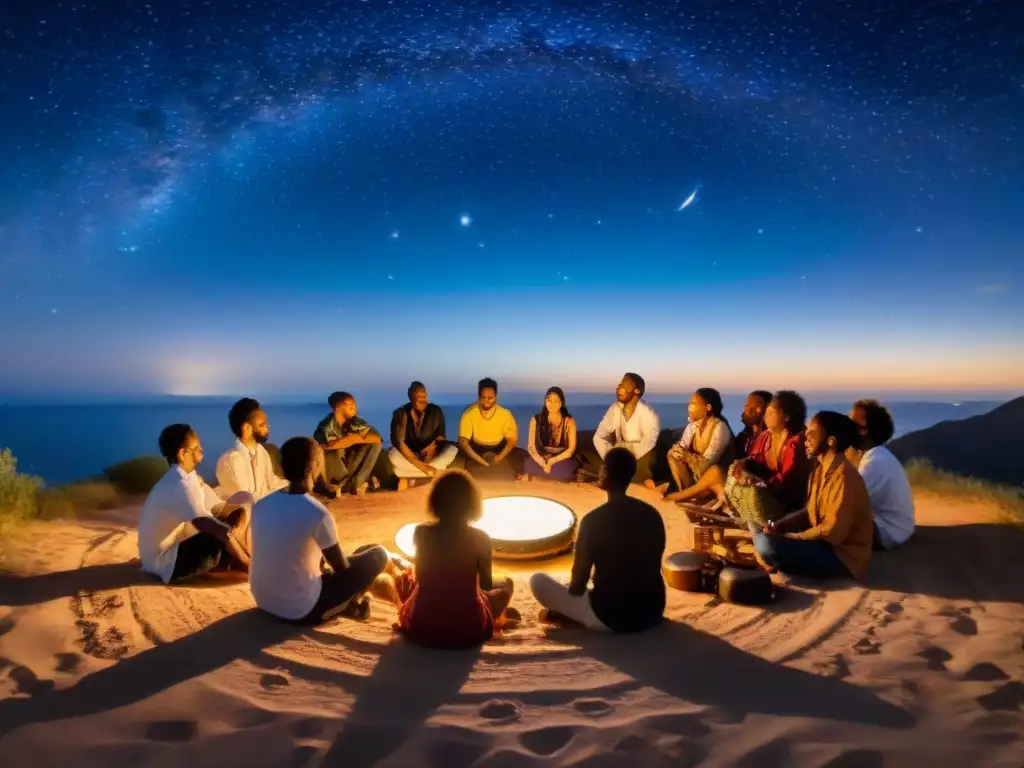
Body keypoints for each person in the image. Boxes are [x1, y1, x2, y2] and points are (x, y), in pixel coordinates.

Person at [249, 437, 393, 623]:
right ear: (315, 466)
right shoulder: (317, 513)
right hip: (301, 610)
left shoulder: (261, 505)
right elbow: (341, 569)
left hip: (264, 600)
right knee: (378, 554)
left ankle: (344, 602)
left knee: (361, 551)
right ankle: (346, 604)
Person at [530, 447, 666, 632]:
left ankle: (573, 616)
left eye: (603, 467)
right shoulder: (652, 514)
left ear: (606, 474)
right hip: (652, 610)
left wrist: (570, 593)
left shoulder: (592, 521)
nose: (600, 471)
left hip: (610, 616)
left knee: (537, 581)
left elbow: (578, 586)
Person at [392, 469, 517, 648]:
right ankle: (495, 613)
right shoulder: (481, 538)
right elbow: (486, 584)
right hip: (469, 629)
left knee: (405, 581)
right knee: (505, 585)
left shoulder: (421, 533)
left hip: (424, 627)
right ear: (471, 503)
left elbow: (421, 577)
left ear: (436, 501)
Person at [751, 411, 874, 581]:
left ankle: (774, 560)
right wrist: (778, 525)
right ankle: (774, 557)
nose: (805, 435)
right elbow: (809, 511)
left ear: (831, 441)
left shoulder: (845, 478)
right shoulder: (819, 470)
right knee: (761, 528)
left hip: (841, 556)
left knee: (767, 544)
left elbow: (832, 532)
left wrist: (791, 537)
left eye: (812, 432)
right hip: (823, 544)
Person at [138, 424, 253, 584]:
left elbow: (220, 510)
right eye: (196, 447)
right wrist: (250, 565)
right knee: (215, 535)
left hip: (175, 549)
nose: (201, 449)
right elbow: (210, 526)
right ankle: (248, 567)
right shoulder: (179, 484)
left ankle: (236, 562)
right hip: (164, 563)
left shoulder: (190, 478)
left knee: (231, 520)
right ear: (182, 453)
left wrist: (239, 520)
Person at [694, 391, 811, 526]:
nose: (766, 415)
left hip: (784, 504)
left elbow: (786, 483)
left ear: (786, 418)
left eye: (772, 412)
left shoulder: (795, 444)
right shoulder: (766, 436)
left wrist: (759, 483)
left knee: (751, 496)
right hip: (767, 495)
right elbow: (754, 459)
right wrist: (743, 468)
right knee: (735, 471)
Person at [849, 399, 915, 550]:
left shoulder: (875, 463)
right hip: (898, 529)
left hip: (887, 532)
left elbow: (844, 506)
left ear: (863, 429)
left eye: (850, 422)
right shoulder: (877, 456)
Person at [656, 388, 736, 502]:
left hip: (716, 477)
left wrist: (687, 455)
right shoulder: (693, 426)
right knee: (673, 454)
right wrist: (681, 453)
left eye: (693, 403)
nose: (689, 407)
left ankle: (695, 494)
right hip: (697, 472)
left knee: (713, 470)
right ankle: (686, 491)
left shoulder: (720, 427)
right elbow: (680, 448)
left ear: (708, 407)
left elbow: (707, 465)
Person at [580, 373, 660, 484]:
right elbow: (599, 436)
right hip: (618, 454)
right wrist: (610, 457)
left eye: (623, 386)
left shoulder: (648, 412)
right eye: (619, 385)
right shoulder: (615, 408)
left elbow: (649, 442)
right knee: (584, 456)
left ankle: (615, 476)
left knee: (647, 463)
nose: (618, 389)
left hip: (640, 456)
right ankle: (622, 475)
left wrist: (626, 457)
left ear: (637, 391)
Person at [215, 397, 288, 502]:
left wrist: (293, 485)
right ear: (247, 428)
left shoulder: (261, 452)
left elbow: (272, 483)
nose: (267, 428)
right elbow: (243, 500)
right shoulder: (229, 461)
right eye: (262, 425)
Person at [389, 381, 458, 488]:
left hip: (430, 455)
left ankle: (412, 474)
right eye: (419, 396)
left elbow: (440, 438)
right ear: (411, 396)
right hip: (409, 455)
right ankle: (429, 472)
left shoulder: (436, 411)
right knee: (393, 454)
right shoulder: (401, 413)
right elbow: (399, 442)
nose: (423, 399)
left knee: (452, 449)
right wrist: (421, 465)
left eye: (424, 396)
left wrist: (430, 449)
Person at [314, 391, 384, 496]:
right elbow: (331, 446)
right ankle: (340, 486)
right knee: (335, 451)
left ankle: (354, 485)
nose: (355, 410)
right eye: (351, 407)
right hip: (332, 470)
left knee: (375, 445)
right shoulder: (327, 426)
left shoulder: (355, 422)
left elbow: (377, 438)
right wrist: (350, 440)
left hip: (348, 464)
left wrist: (356, 438)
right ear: (338, 408)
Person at [457, 377, 524, 480]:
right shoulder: (469, 413)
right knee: (456, 451)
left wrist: (499, 458)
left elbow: (512, 440)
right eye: (483, 397)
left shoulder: (505, 414)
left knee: (521, 455)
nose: (486, 401)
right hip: (477, 447)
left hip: (498, 447)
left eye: (490, 397)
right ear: (479, 396)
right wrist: (481, 461)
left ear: (495, 397)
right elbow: (463, 442)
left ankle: (519, 478)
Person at [523, 387, 579, 482]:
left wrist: (552, 461)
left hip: (560, 459)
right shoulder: (535, 420)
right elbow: (531, 447)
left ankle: (543, 477)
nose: (551, 404)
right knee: (529, 465)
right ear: (545, 401)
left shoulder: (569, 421)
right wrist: (542, 463)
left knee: (565, 470)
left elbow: (570, 450)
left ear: (561, 403)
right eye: (549, 400)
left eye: (555, 401)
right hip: (542, 458)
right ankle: (547, 476)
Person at [734, 390, 774, 459]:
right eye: (746, 405)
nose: (747, 409)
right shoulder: (742, 437)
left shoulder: (772, 438)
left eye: (757, 406)